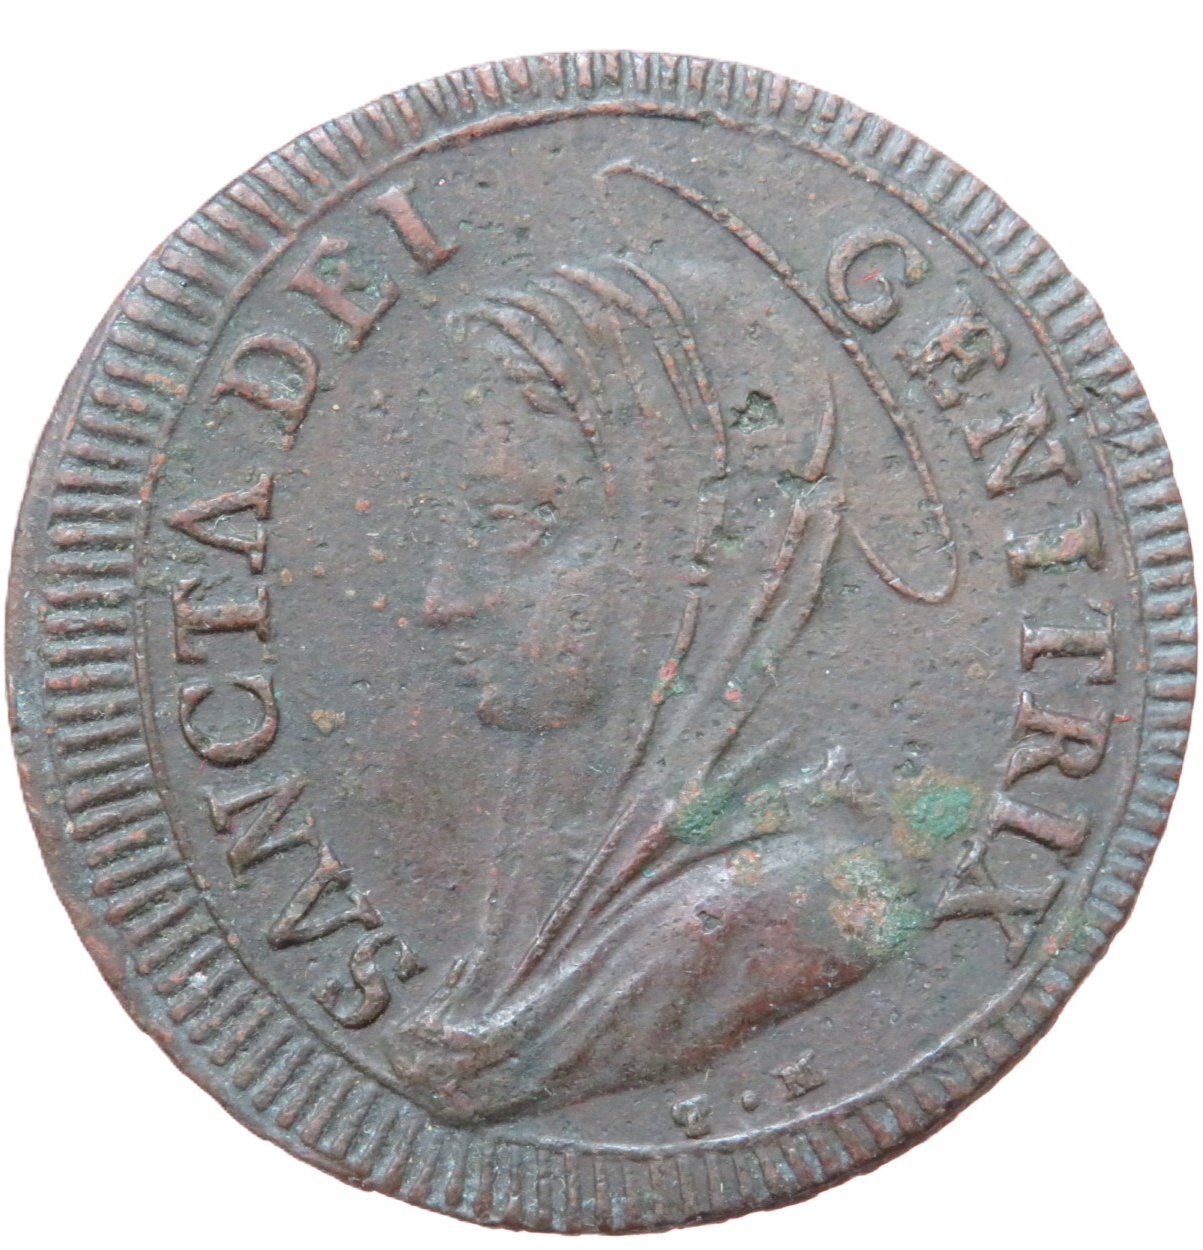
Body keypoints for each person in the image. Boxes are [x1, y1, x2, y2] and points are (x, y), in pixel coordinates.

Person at [386, 251, 948, 1125]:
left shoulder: (794, 909)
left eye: (511, 523)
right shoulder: (538, 924)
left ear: (699, 545)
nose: (444, 600)